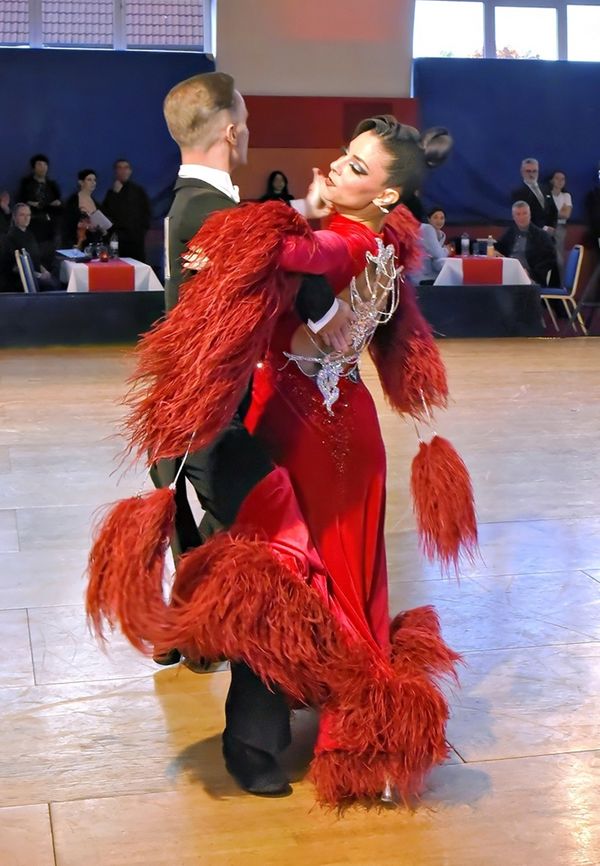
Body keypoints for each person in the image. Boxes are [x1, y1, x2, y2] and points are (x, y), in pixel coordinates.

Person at [87, 112, 474, 806]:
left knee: (285, 580)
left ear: (388, 197)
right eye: (346, 155)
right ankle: (310, 707)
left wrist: (280, 223)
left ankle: (255, 740)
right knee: (314, 579)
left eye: (359, 167)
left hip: (305, 441)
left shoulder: (342, 245)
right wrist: (308, 212)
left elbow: (292, 255)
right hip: (345, 437)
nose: (339, 167)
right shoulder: (384, 242)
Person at [142, 71, 353, 797]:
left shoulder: (189, 207)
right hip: (209, 436)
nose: (252, 129)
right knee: (278, 561)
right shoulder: (213, 217)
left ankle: (193, 641)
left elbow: (250, 229)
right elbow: (279, 255)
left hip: (185, 434)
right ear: (232, 130)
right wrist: (331, 297)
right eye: (249, 119)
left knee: (236, 564)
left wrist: (302, 206)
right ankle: (252, 745)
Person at [496, 200, 559, 286]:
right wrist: (495, 252)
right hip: (510, 275)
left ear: (530, 215)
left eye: (524, 213)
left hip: (530, 278)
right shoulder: (511, 232)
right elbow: (500, 248)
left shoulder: (542, 236)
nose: (522, 217)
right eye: (518, 214)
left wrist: (530, 273)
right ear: (513, 217)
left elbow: (549, 260)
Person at [0, 203, 61, 291]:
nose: (26, 218)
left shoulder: (30, 234)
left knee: (57, 279)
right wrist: (39, 276)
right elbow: (15, 267)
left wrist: (45, 271)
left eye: (28, 215)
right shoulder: (10, 238)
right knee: (54, 285)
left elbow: (36, 259)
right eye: (22, 215)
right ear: (14, 217)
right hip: (21, 280)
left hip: (36, 274)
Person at [102, 159, 151, 262]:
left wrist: (141, 231)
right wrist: (115, 194)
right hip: (117, 240)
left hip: (135, 240)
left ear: (130, 171)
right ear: (115, 171)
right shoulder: (111, 193)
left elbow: (147, 212)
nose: (123, 171)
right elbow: (107, 214)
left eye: (126, 168)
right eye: (120, 168)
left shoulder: (138, 191)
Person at [17, 154, 62, 266]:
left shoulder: (52, 185)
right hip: (33, 224)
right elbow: (22, 201)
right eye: (39, 164)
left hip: (50, 225)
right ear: (34, 167)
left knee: (52, 254)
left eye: (45, 164)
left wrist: (49, 205)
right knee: (34, 256)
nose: (43, 167)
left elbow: (58, 203)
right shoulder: (26, 183)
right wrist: (36, 205)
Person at [62, 169, 111, 250]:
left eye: (94, 180)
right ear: (81, 182)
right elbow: (68, 223)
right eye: (89, 180)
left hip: (94, 243)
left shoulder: (96, 203)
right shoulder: (73, 200)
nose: (93, 182)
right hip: (78, 243)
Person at [510, 158, 557, 232]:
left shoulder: (546, 188)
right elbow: (522, 217)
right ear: (522, 172)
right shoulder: (518, 193)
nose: (531, 174)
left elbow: (553, 210)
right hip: (531, 234)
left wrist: (552, 227)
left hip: (549, 235)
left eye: (534, 171)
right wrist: (543, 228)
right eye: (528, 171)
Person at [411, 205, 450, 284]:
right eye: (435, 217)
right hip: (421, 274)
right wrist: (447, 250)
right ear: (429, 219)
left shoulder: (441, 234)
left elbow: (436, 258)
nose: (439, 221)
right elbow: (438, 254)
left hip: (431, 271)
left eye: (442, 218)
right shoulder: (427, 229)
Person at [548, 170, 572, 279]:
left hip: (560, 228)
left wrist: (553, 212)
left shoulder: (566, 196)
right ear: (551, 180)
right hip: (547, 227)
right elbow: (544, 213)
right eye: (557, 178)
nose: (560, 181)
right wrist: (558, 211)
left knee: (559, 259)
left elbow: (566, 214)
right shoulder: (546, 195)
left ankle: (560, 286)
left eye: (563, 179)